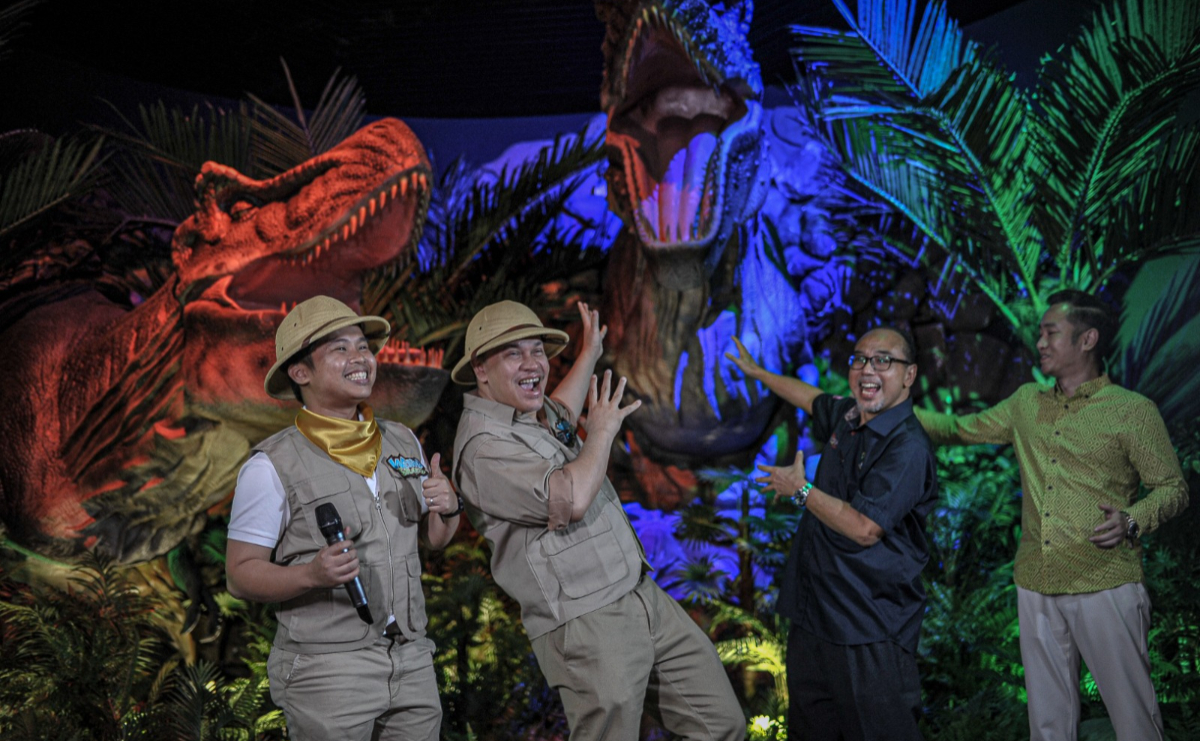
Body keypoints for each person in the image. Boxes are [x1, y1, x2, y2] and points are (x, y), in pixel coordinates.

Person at [451, 299, 746, 741]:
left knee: (721, 725)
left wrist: (589, 352)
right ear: (481, 368)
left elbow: (563, 414)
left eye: (537, 350)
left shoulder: (531, 412)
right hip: (588, 622)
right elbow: (570, 499)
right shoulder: (483, 449)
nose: (532, 363)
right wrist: (603, 432)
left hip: (640, 594)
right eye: (514, 353)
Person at [914, 289, 1189, 741]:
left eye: (1051, 332)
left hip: (1105, 582)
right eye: (1040, 333)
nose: (1040, 342)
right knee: (1047, 726)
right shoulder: (1026, 402)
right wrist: (891, 407)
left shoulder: (1133, 411)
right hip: (1035, 583)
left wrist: (1131, 519)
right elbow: (958, 430)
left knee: (1134, 721)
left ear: (1087, 339)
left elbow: (1173, 489)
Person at [225, 295, 460, 741]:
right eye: (340, 348)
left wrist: (449, 508)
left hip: (410, 657)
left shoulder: (402, 440)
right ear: (301, 373)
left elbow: (434, 539)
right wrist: (310, 575)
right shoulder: (271, 465)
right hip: (327, 671)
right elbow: (239, 575)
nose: (360, 358)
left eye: (363, 347)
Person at [727, 326, 938, 741]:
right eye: (859, 359)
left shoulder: (908, 448)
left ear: (909, 375)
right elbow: (810, 397)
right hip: (815, 618)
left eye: (883, 360)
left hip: (867, 628)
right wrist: (758, 373)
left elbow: (865, 528)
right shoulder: (849, 416)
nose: (867, 369)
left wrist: (801, 490)